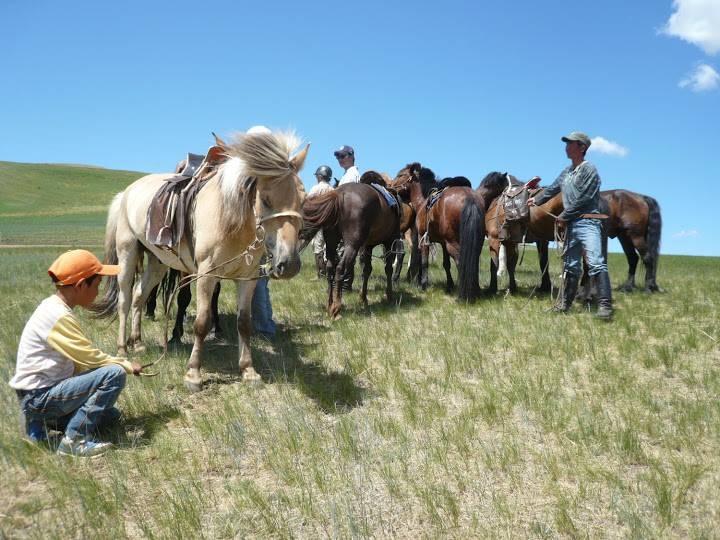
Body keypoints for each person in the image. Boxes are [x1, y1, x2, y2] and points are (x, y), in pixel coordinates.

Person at [9, 249, 142, 457]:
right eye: (97, 285)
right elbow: (89, 357)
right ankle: (74, 439)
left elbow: (77, 361)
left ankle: (38, 426)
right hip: (39, 398)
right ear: (80, 285)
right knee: (114, 374)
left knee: (110, 416)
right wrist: (125, 364)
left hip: (34, 397)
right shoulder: (58, 315)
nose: (98, 292)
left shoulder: (52, 307)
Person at [527, 131, 613, 319]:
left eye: (571, 143)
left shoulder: (589, 170)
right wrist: (537, 201)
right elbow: (552, 189)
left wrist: (564, 215)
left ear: (582, 147)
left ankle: (605, 307)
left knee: (596, 262)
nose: (566, 146)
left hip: (588, 222)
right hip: (572, 224)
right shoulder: (566, 172)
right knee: (571, 266)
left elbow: (584, 198)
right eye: (567, 143)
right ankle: (565, 304)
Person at [333, 145, 360, 289]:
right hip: (344, 216)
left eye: (342, 156)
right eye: (338, 157)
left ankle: (345, 283)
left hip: (347, 217)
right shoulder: (347, 174)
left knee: (346, 250)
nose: (340, 159)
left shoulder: (351, 174)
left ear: (351, 156)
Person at [307, 165, 334, 278]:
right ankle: (329, 273)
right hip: (331, 222)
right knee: (327, 247)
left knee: (317, 247)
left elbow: (308, 203)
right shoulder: (333, 190)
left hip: (318, 221)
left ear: (319, 176)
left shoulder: (316, 188)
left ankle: (321, 274)